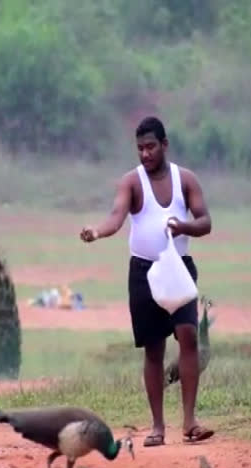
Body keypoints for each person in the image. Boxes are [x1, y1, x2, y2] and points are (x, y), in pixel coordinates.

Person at [79, 116, 214, 447]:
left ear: (165, 145)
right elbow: (116, 217)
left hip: (178, 268)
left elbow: (205, 221)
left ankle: (190, 422)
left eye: (151, 147)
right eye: (139, 148)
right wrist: (96, 232)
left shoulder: (186, 180)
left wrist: (182, 227)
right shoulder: (131, 182)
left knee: (188, 337)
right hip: (143, 274)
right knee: (153, 349)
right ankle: (157, 427)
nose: (145, 154)